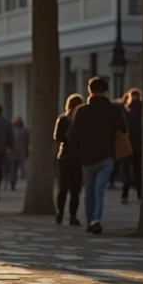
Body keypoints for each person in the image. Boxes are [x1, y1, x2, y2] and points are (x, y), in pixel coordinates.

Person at [67, 77, 127, 235]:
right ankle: (96, 219)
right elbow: (123, 128)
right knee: (99, 189)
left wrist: (79, 152)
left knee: (89, 191)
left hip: (87, 157)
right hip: (107, 155)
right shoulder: (113, 110)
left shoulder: (82, 110)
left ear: (89, 90)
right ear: (106, 91)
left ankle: (89, 221)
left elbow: (71, 136)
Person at [54, 94, 84, 226]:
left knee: (75, 189)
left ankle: (73, 215)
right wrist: (69, 137)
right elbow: (57, 137)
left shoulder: (82, 121)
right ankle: (60, 211)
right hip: (65, 157)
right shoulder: (63, 120)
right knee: (63, 187)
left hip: (78, 158)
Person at [122, 88, 142, 204]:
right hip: (138, 144)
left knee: (126, 172)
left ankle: (125, 195)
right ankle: (140, 195)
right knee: (138, 171)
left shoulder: (126, 112)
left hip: (128, 145)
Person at [7, 116, 29, 191]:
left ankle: (21, 179)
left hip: (21, 152)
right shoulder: (11, 130)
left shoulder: (24, 131)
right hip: (13, 152)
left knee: (22, 167)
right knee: (13, 168)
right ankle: (12, 181)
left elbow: (27, 141)